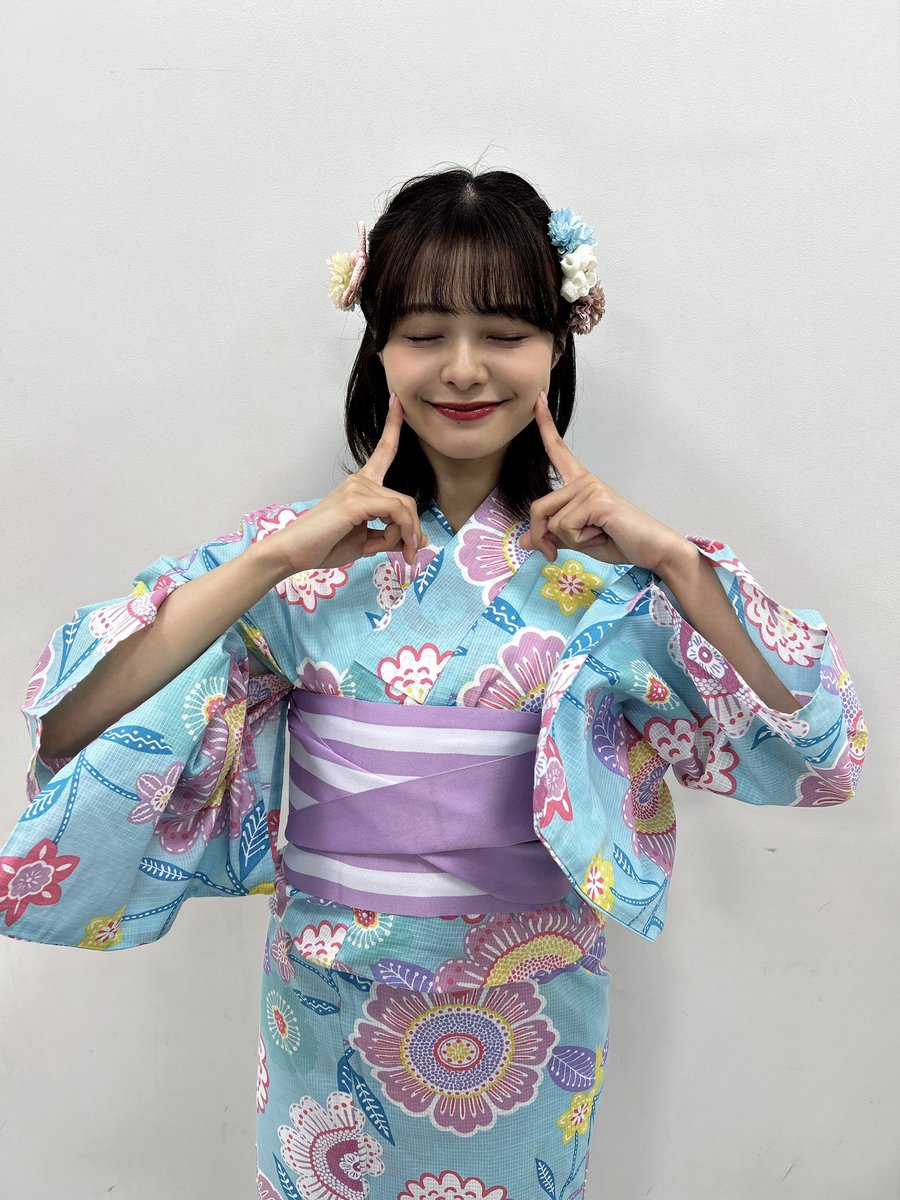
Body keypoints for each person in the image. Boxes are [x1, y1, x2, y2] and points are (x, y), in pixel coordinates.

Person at [0, 167, 868, 1199]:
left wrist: (675, 561)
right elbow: (76, 723)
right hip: (330, 1004)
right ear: (378, 346)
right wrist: (274, 559)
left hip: (532, 1012)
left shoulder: (610, 578)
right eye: (424, 332)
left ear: (557, 345)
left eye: (505, 332)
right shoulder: (304, 562)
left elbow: (819, 747)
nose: (463, 368)